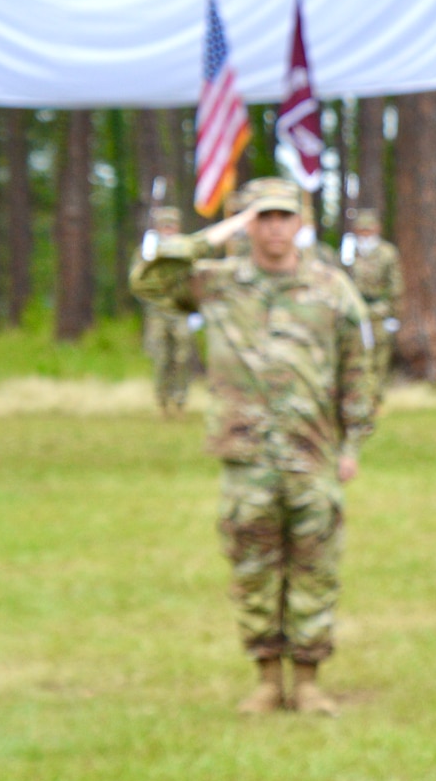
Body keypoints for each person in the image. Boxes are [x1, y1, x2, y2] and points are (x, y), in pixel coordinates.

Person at [130, 177, 378, 716]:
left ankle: (309, 680)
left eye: (283, 216)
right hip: (246, 458)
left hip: (312, 454)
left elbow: (357, 367)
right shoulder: (217, 283)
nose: (273, 227)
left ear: (299, 222)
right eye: (261, 217)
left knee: (315, 567)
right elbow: (148, 281)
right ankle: (267, 678)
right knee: (253, 569)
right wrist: (214, 235)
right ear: (248, 223)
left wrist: (352, 442)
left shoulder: (331, 288)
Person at [133, 206, 198, 416]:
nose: (168, 230)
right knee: (161, 358)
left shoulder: (186, 250)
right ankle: (162, 402)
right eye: (165, 226)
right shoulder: (148, 251)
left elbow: (195, 278)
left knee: (182, 357)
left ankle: (180, 401)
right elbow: (138, 280)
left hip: (180, 311)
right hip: (157, 313)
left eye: (172, 226)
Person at [340, 208, 404, 403]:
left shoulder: (387, 253)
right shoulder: (349, 251)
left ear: (377, 229)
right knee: (355, 354)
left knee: (379, 356)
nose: (365, 233)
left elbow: (396, 286)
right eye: (362, 229)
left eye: (369, 230)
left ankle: (377, 396)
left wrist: (393, 315)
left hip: (378, 310)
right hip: (353, 311)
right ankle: (356, 396)